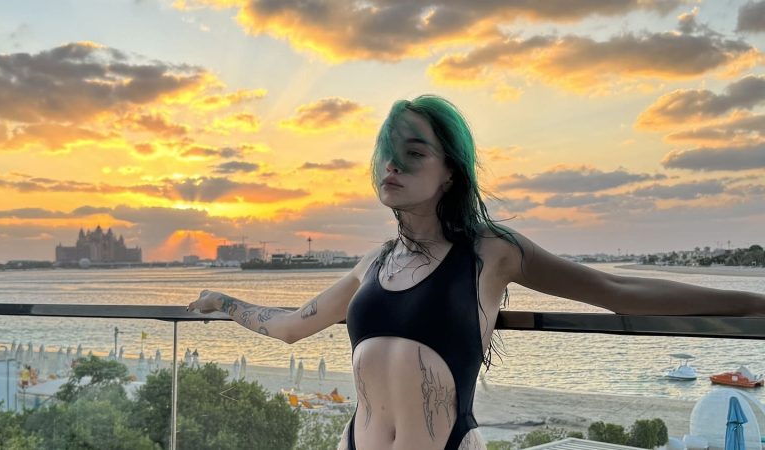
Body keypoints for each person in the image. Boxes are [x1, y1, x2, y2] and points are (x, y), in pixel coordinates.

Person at [188, 95, 765, 450]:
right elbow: (292, 326)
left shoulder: (491, 251)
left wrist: (753, 304)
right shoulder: (373, 263)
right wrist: (225, 303)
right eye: (387, 153)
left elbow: (616, 289)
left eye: (414, 153)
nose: (392, 165)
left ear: (449, 172)